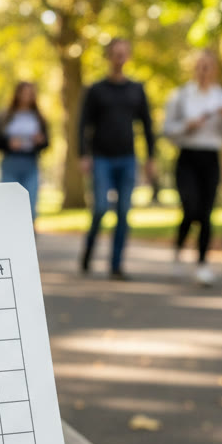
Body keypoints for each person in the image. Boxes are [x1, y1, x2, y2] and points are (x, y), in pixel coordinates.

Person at [78, 38, 156, 279]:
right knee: (100, 207)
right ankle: (89, 250)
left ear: (128, 56)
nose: (119, 58)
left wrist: (151, 157)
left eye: (124, 53)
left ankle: (115, 265)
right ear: (108, 57)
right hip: (101, 158)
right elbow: (83, 125)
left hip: (127, 158)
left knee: (123, 212)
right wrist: (83, 155)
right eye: (115, 53)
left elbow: (147, 125)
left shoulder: (136, 89)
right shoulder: (96, 89)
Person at [162, 49, 222, 286]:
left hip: (211, 158)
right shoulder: (181, 96)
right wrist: (188, 126)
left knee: (206, 213)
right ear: (194, 69)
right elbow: (167, 130)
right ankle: (178, 251)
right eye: (200, 66)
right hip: (187, 157)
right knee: (190, 207)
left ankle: (202, 264)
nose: (204, 71)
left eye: (208, 66)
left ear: (214, 69)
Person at [0, 81, 50, 226]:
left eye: (30, 93)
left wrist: (40, 141)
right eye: (24, 92)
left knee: (31, 206)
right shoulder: (5, 116)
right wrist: (8, 143)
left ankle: (30, 241)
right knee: (9, 205)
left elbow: (47, 142)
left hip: (31, 163)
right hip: (10, 162)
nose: (27, 96)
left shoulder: (39, 117)